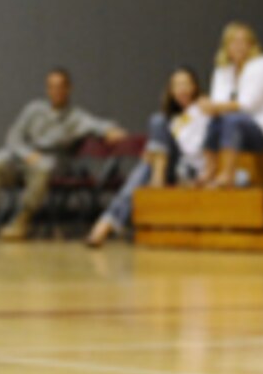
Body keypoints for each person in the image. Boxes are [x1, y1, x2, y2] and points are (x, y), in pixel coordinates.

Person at [0, 68, 127, 243]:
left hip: (49, 164)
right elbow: (13, 136)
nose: (56, 91)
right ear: (47, 89)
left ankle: (21, 220)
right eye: (51, 87)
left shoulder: (76, 117)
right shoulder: (33, 109)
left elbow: (99, 125)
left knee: (43, 166)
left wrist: (111, 130)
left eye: (60, 86)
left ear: (69, 88)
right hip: (22, 157)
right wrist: (27, 154)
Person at [86, 67, 207, 248]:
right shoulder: (171, 119)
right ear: (171, 90)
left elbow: (200, 147)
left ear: (195, 87)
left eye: (186, 84)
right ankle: (155, 176)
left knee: (150, 152)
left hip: (191, 169)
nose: (182, 89)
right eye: (177, 85)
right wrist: (154, 154)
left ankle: (106, 223)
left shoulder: (205, 109)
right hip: (168, 167)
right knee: (150, 152)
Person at [201, 22, 263, 188]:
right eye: (234, 42)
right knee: (217, 121)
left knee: (233, 120)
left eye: (243, 42)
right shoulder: (223, 70)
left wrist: (212, 105)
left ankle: (227, 174)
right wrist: (209, 106)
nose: (238, 46)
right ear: (226, 46)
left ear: (252, 45)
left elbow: (248, 104)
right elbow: (218, 104)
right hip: (242, 129)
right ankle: (209, 169)